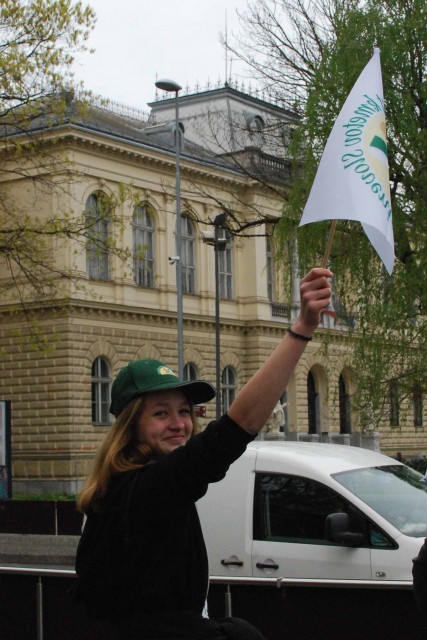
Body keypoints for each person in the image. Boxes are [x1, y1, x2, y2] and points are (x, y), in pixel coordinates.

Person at [73, 267, 332, 640]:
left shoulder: (122, 488)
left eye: (184, 411)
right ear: (130, 426)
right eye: (161, 413)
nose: (179, 424)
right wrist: (302, 328)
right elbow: (232, 430)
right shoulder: (144, 490)